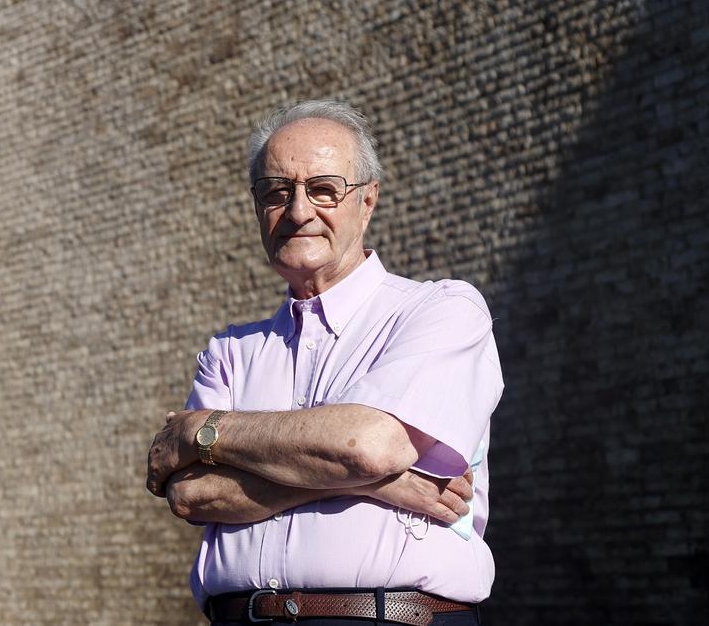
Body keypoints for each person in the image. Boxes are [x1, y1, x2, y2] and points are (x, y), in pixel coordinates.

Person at [146, 100, 503, 625]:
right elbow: (192, 493)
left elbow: (369, 445)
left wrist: (205, 431)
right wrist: (370, 483)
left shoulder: (441, 311)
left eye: (323, 189)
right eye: (276, 192)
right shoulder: (229, 352)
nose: (297, 211)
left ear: (368, 201)